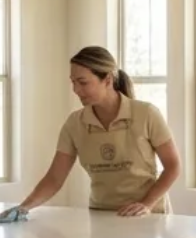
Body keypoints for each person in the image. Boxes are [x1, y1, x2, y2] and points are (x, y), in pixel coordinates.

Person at [10, 46, 181, 217]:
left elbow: (173, 166)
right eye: (73, 82)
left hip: (149, 216)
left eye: (83, 82)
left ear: (107, 80)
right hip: (101, 216)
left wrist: (146, 204)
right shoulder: (74, 124)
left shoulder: (147, 114)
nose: (76, 90)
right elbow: (54, 178)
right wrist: (22, 208)